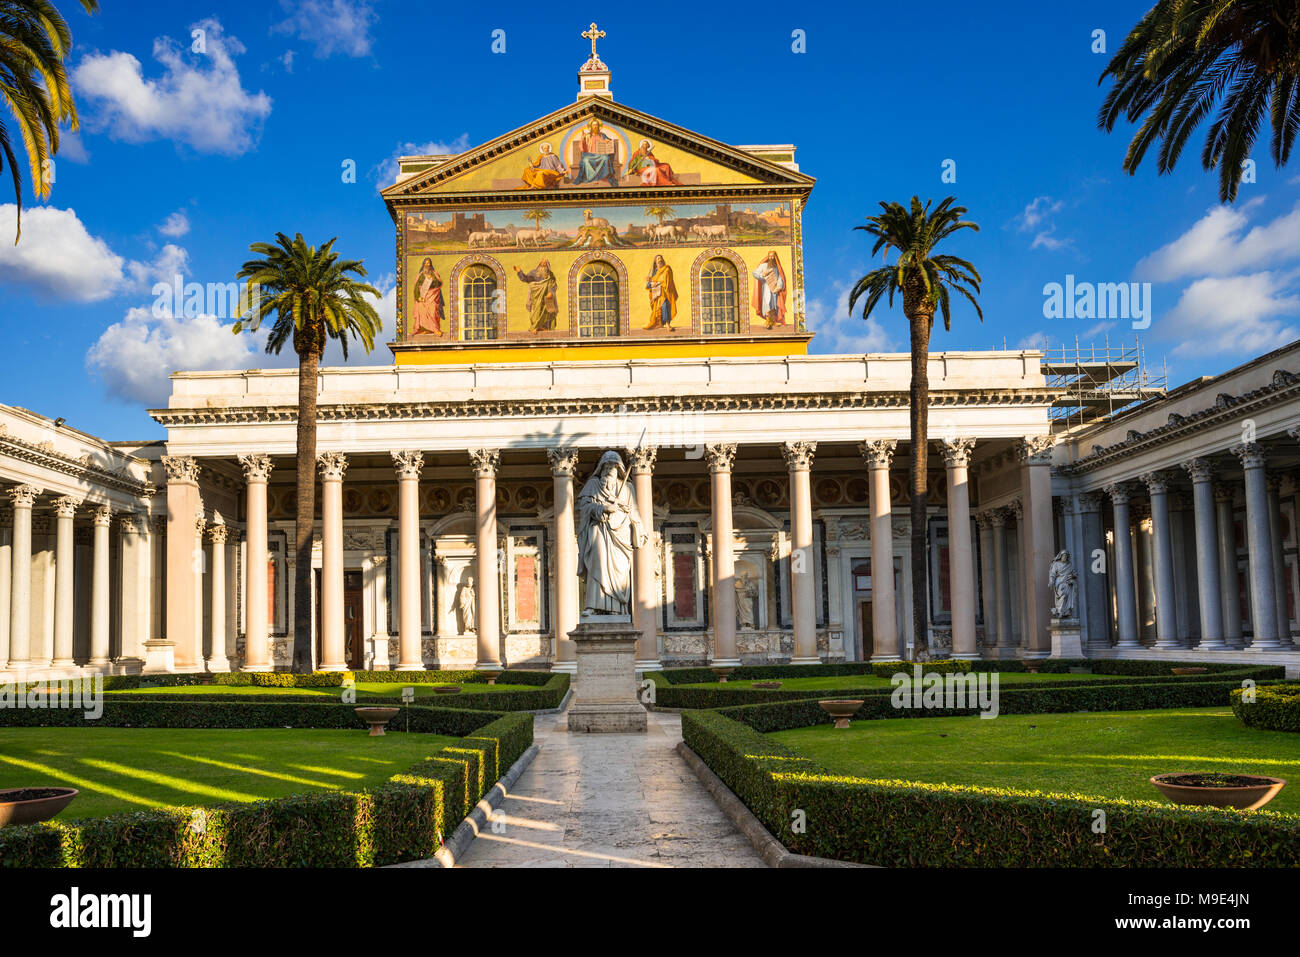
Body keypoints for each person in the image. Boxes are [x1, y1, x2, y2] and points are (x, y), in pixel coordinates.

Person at [576, 450, 646, 615]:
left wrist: (639, 529)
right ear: (601, 468)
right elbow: (584, 507)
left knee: (619, 571)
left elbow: (634, 513)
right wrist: (604, 508)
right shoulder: (593, 485)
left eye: (612, 467)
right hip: (600, 532)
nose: (609, 470)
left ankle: (617, 609)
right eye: (606, 466)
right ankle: (592, 606)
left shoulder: (627, 488)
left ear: (619, 469)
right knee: (597, 565)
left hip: (620, 536)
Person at [513, 259, 559, 331]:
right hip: (536, 297)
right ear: (539, 264)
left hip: (546, 297)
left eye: (545, 264)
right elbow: (526, 279)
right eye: (542, 263)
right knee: (535, 312)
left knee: (547, 311)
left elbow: (554, 284)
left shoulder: (550, 274)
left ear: (547, 265)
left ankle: (545, 327)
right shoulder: (533, 273)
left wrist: (551, 292)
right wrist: (519, 272)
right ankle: (535, 326)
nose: (543, 265)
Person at [571, 119, 619, 187]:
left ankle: (602, 177)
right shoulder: (587, 136)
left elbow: (609, 143)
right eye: (593, 125)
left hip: (600, 155)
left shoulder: (602, 135)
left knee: (606, 158)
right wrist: (582, 139)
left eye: (596, 125)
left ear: (599, 126)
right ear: (591, 127)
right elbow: (582, 148)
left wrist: (608, 141)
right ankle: (592, 178)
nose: (595, 126)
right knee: (585, 160)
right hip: (590, 155)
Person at [752, 251, 787, 327]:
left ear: (775, 257)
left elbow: (780, 278)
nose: (771, 258)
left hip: (774, 288)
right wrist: (763, 275)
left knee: (774, 304)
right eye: (770, 256)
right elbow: (755, 273)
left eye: (773, 256)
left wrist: (779, 286)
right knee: (767, 302)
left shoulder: (777, 268)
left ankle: (773, 321)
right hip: (767, 287)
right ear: (768, 257)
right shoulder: (764, 266)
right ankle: (768, 321)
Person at [411, 258, 444, 335]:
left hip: (432, 296)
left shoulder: (434, 274)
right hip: (422, 297)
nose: (427, 264)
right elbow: (416, 287)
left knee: (433, 311)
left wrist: (432, 279)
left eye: (428, 263)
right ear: (423, 265)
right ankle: (424, 329)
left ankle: (435, 329)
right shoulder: (420, 275)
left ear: (430, 265)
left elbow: (439, 283)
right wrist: (417, 297)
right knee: (421, 312)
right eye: (425, 263)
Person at [643, 255, 678, 330]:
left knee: (665, 305)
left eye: (661, 258)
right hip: (656, 293)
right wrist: (651, 283)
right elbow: (649, 284)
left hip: (666, 291)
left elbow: (668, 280)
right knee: (657, 309)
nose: (660, 260)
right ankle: (659, 323)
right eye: (658, 259)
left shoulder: (667, 269)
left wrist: (658, 282)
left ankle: (667, 324)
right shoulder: (653, 271)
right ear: (655, 262)